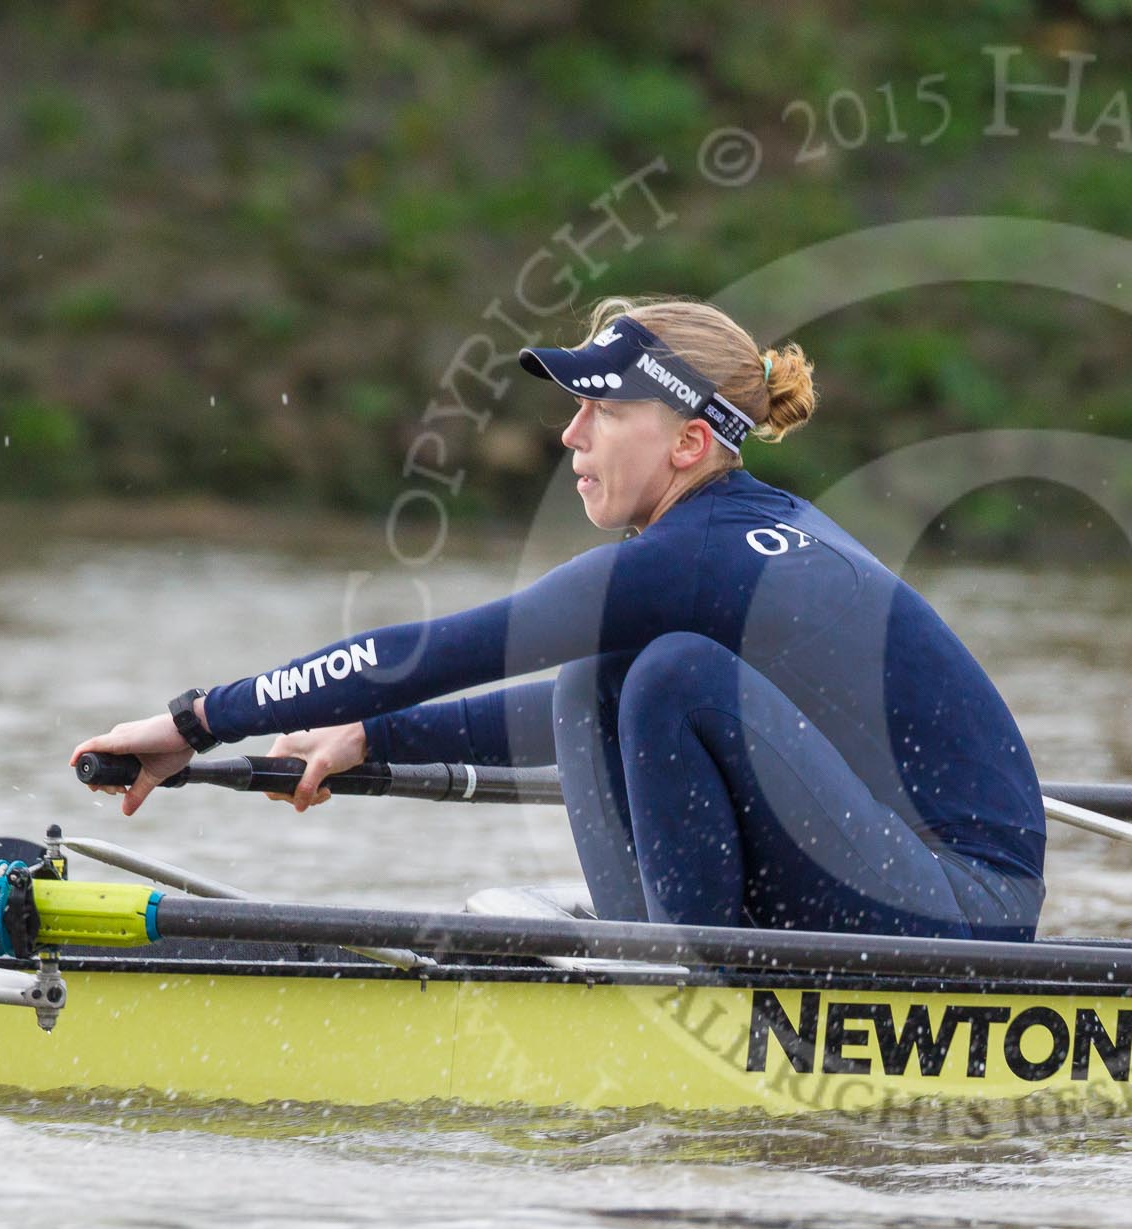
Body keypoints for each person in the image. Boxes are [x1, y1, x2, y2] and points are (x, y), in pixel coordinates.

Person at [71, 296, 1047, 940]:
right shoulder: (725, 542)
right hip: (900, 867)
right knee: (613, 671)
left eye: (604, 410)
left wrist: (194, 720)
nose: (571, 432)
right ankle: (664, 957)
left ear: (688, 442)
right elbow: (575, 713)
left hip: (964, 907)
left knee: (665, 673)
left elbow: (428, 651)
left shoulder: (698, 554)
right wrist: (373, 734)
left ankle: (677, 982)